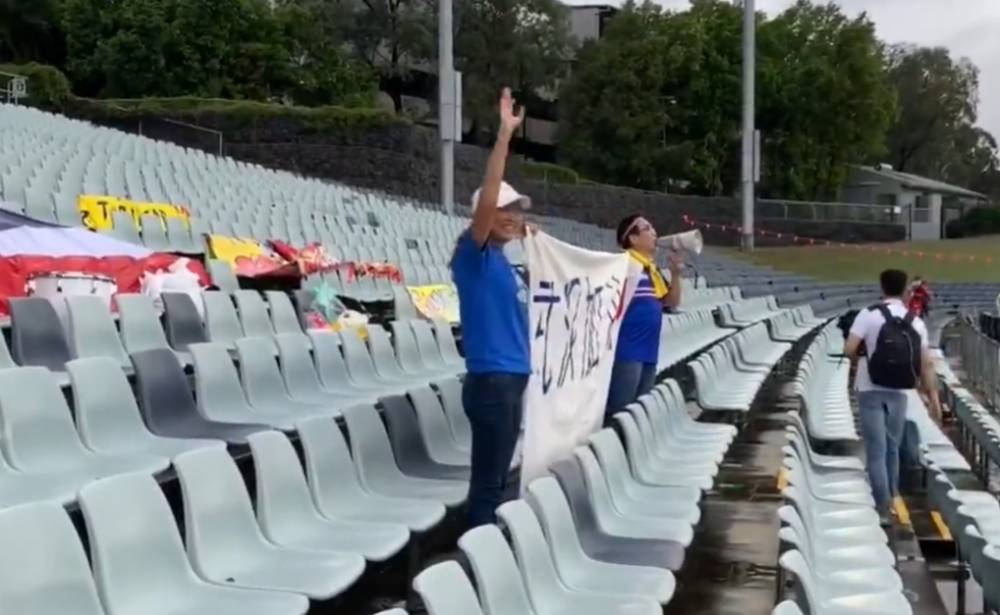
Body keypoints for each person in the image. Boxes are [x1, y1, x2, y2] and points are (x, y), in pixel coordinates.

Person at [451, 87, 531, 528]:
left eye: (517, 210)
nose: (513, 216)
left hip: (512, 379)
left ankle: (482, 556)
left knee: (499, 478)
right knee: (488, 483)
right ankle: (471, 567)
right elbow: (487, 203)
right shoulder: (473, 252)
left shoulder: (504, 261)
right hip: (492, 382)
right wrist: (504, 136)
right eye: (506, 209)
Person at [844, 269, 943, 525]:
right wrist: (933, 398)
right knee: (892, 449)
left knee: (876, 451)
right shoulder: (915, 321)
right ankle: (892, 496)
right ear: (905, 290)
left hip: (869, 387)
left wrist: (863, 361)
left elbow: (849, 349)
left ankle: (883, 507)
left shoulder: (868, 314)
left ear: (881, 286)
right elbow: (926, 364)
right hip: (900, 391)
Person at [604, 214, 683, 420]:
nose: (654, 232)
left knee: (639, 412)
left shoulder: (652, 271)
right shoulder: (623, 266)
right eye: (647, 228)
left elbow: (671, 302)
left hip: (649, 350)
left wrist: (675, 274)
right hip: (627, 350)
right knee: (620, 411)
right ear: (633, 238)